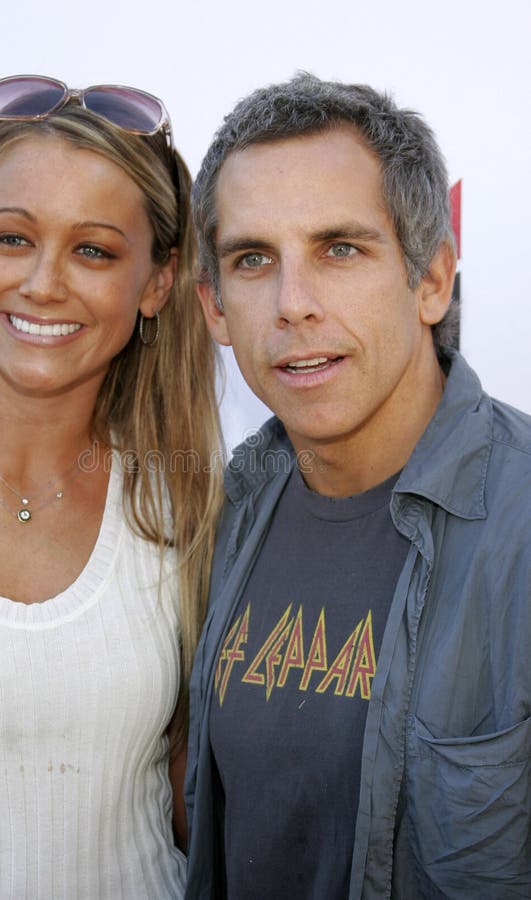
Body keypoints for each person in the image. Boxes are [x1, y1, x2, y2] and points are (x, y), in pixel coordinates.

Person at [0, 75, 222, 899]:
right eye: (13, 239)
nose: (43, 284)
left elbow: (192, 803)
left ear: (157, 284)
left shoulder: (188, 507)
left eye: (94, 250)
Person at [184, 72, 531, 899]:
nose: (292, 303)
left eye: (340, 248)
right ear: (214, 309)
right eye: (253, 258)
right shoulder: (229, 506)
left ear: (432, 281)